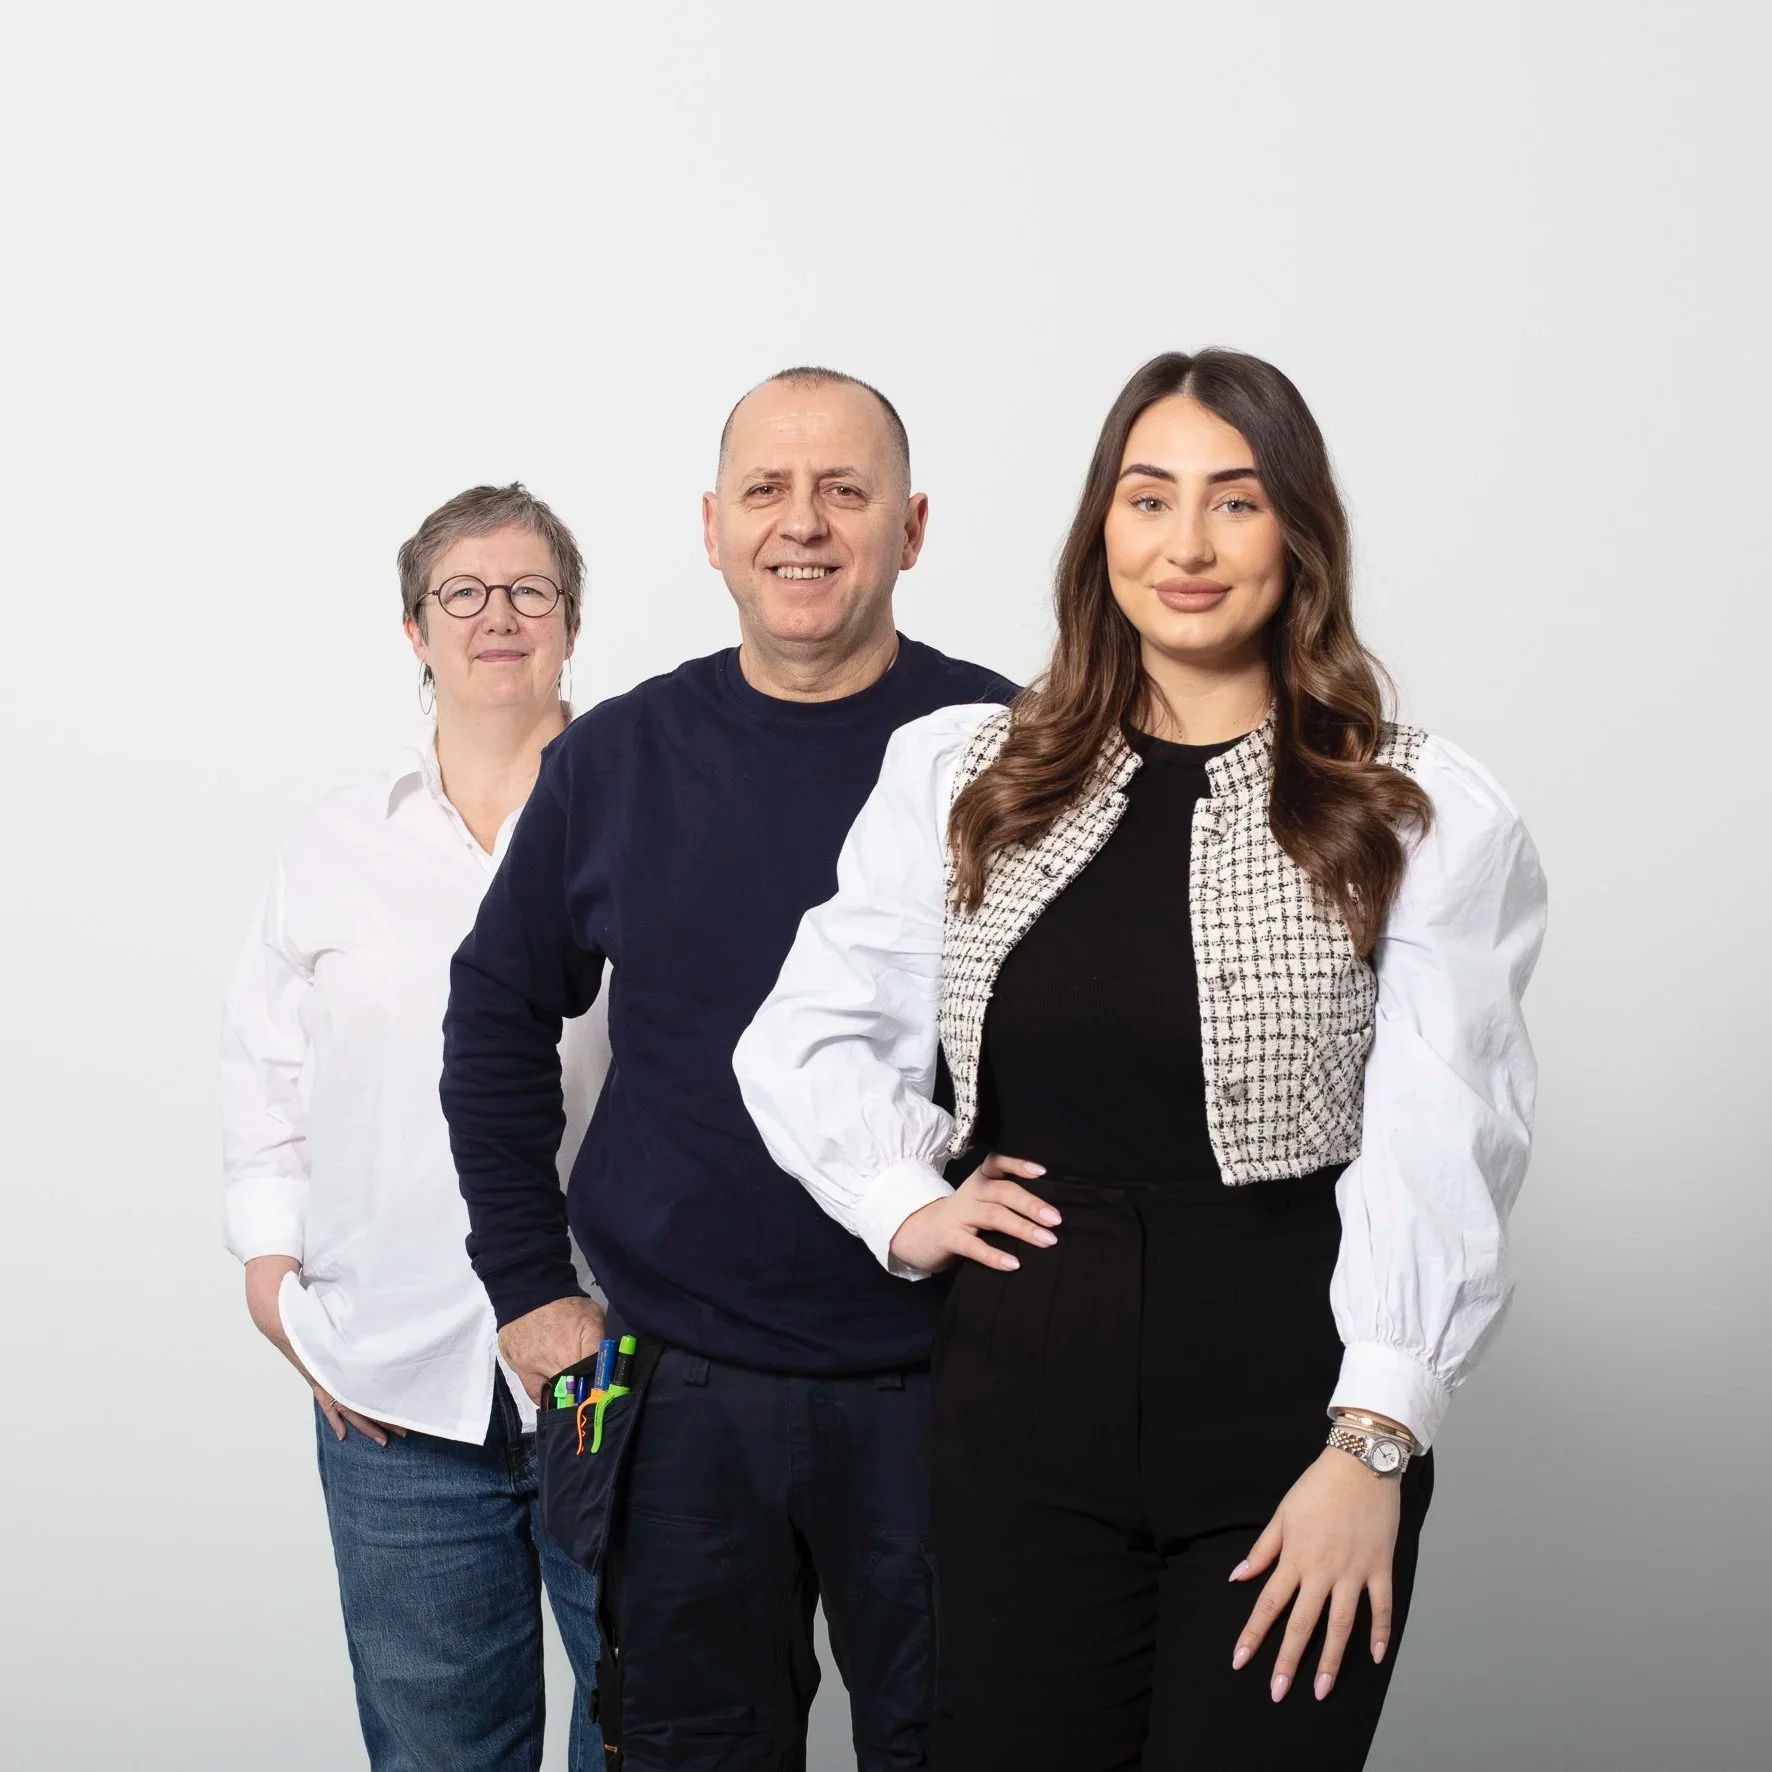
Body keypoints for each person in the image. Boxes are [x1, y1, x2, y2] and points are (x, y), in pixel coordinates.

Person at [734, 349, 1549, 1771]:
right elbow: (807, 1032)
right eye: (1147, 497)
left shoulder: (1408, 808)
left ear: (1298, 535)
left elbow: (1449, 1131)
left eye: (1234, 504)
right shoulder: (972, 774)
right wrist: (904, 1203)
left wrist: (1372, 1448)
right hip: (1017, 1416)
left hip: (1287, 1420)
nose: (1185, 546)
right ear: (1098, 529)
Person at [439, 369, 1017, 1771]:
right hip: (677, 1386)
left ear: (914, 525)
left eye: (845, 491)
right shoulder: (622, 756)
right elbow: (492, 1018)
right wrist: (530, 1295)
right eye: (766, 490)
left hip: (953, 1384)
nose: (802, 526)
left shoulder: (1014, 752)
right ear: (711, 527)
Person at [221, 484, 608, 1771]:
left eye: (529, 591)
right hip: (391, 1386)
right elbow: (268, 1071)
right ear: (415, 629)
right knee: (442, 1756)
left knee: (662, 1738)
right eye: (464, 593)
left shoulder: (646, 815)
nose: (498, 616)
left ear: (568, 624)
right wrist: (274, 1282)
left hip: (622, 1371)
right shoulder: (333, 845)